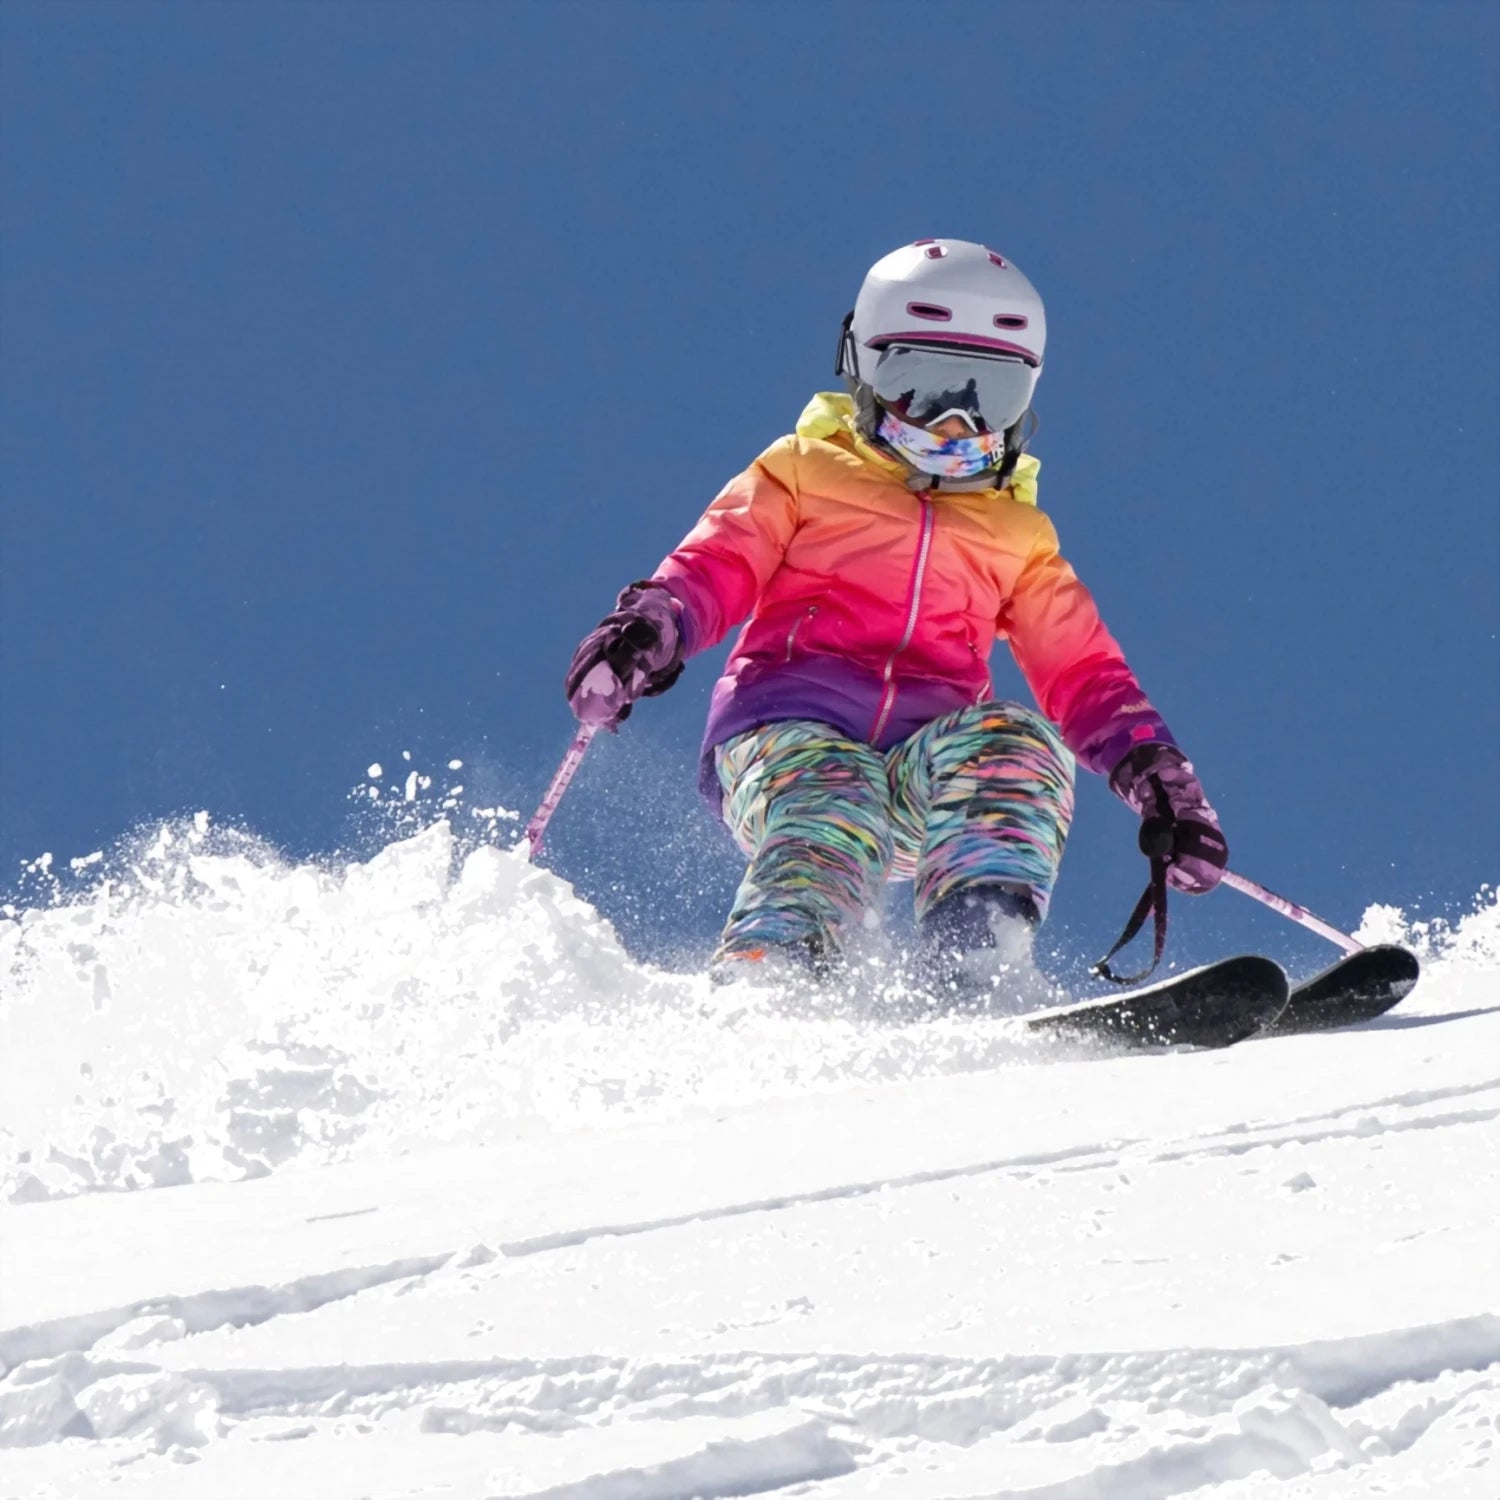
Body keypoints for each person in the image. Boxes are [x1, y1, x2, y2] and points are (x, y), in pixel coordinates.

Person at [564, 239, 1228, 994]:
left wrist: (1159, 780)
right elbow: (720, 563)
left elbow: (1081, 668)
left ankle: (972, 962)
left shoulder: (1015, 533)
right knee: (836, 793)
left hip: (924, 772)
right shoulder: (803, 472)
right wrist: (648, 633)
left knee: (1014, 737)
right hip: (786, 742)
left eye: (989, 395)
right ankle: (775, 977)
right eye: (925, 385)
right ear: (865, 370)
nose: (954, 421)